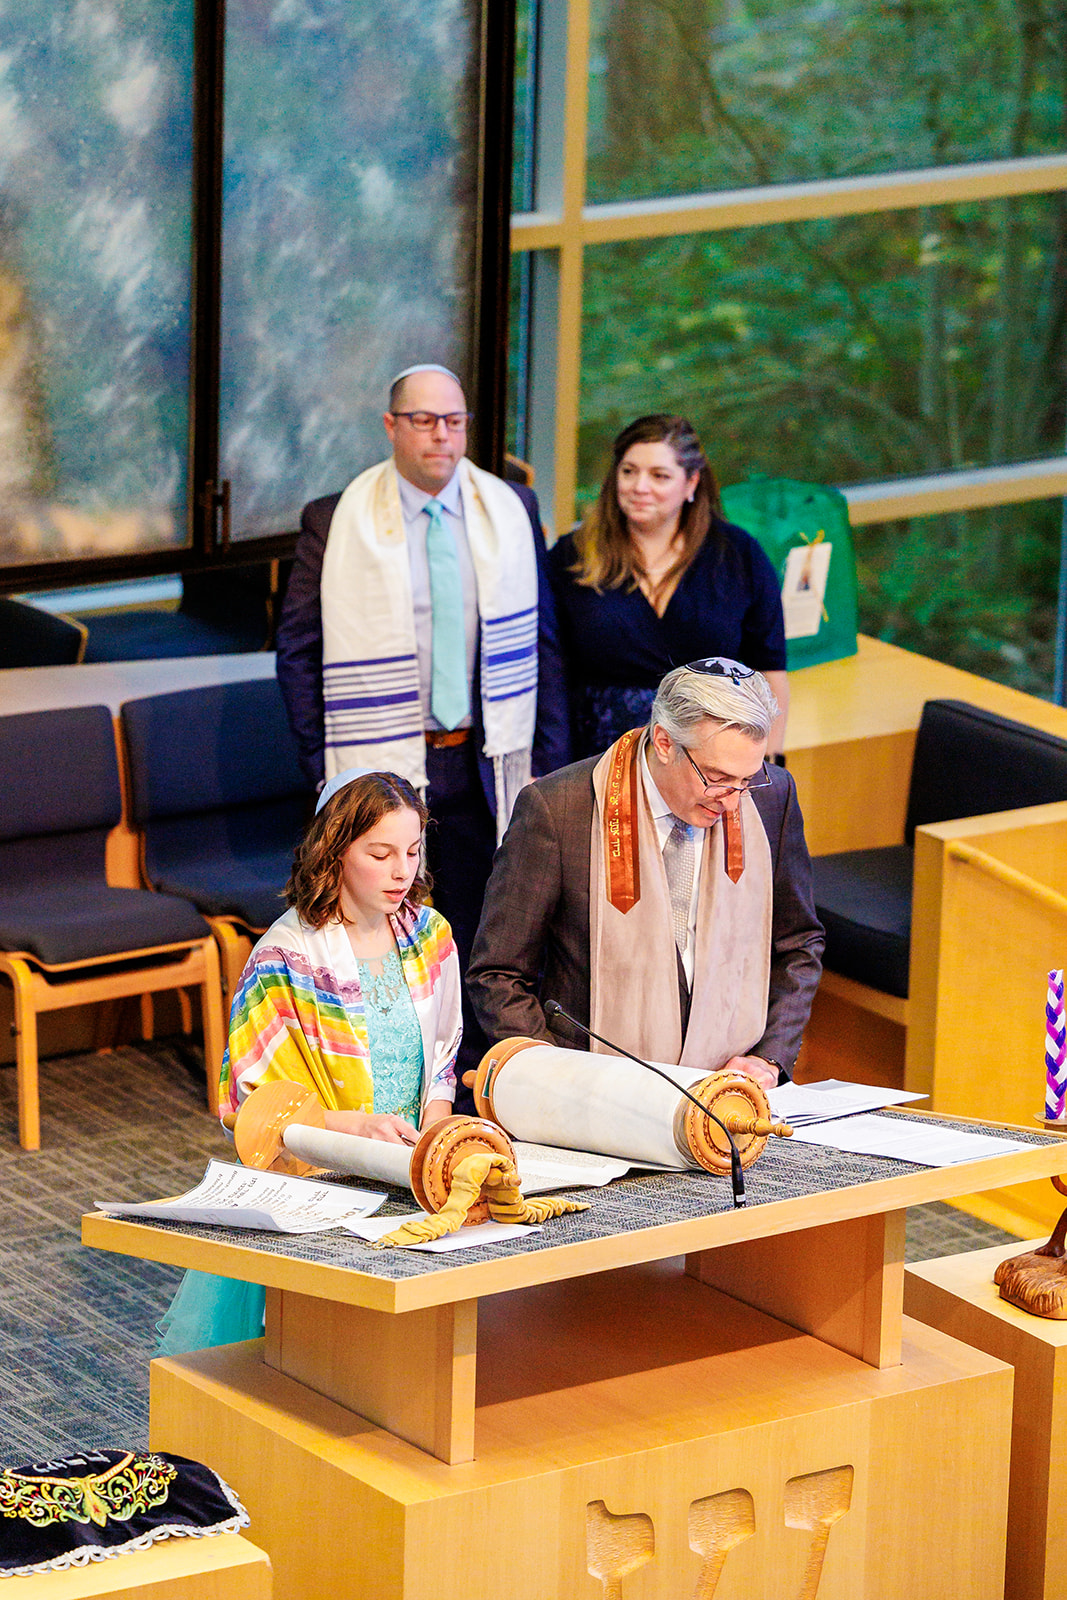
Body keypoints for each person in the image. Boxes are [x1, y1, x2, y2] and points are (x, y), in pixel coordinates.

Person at [275, 362, 570, 1083]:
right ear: (392, 427)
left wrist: (548, 757)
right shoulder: (334, 518)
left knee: (481, 922)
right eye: (424, 420)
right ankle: (389, 1075)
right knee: (387, 921)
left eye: (454, 421)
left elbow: (545, 641)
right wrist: (328, 764)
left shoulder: (510, 508)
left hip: (484, 754)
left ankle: (472, 1077)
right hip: (378, 761)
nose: (442, 435)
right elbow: (299, 650)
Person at [157, 767, 460, 1354]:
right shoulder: (284, 957)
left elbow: (443, 1056)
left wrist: (440, 1129)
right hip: (323, 1186)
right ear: (336, 851)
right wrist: (358, 1131)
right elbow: (251, 1106)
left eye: (413, 851)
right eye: (380, 853)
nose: (403, 871)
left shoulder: (430, 935)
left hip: (407, 1175)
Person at [467, 660, 823, 1089]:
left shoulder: (771, 798)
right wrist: (551, 1077)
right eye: (717, 778)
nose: (733, 803)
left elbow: (798, 943)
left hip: (730, 1097)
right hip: (593, 1094)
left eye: (747, 779)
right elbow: (498, 972)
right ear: (665, 742)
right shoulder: (560, 810)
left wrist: (769, 1058)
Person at [548, 414, 788, 760]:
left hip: (710, 762)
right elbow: (549, 672)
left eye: (659, 475)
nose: (639, 487)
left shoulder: (738, 555)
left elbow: (769, 672)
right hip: (596, 761)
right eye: (629, 471)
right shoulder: (573, 556)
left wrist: (767, 767)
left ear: (691, 483)